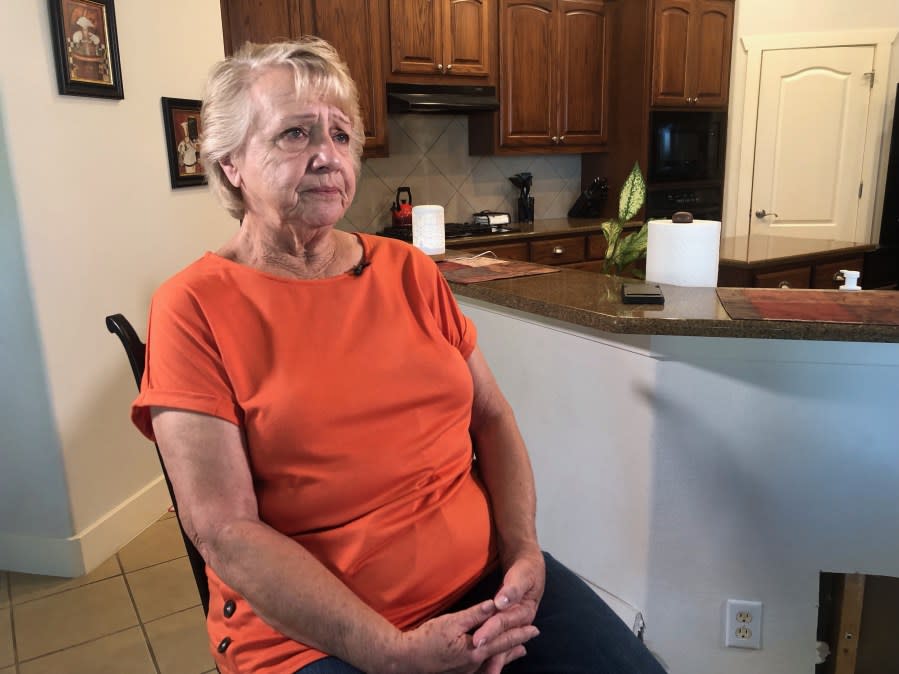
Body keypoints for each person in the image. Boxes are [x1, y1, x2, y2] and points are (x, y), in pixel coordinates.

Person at [131, 37, 667, 674]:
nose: (328, 155)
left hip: (487, 585)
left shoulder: (408, 270)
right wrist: (390, 653)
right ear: (230, 166)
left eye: (340, 133)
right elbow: (224, 532)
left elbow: (492, 418)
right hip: (314, 639)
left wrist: (524, 551)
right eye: (295, 134)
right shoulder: (193, 306)